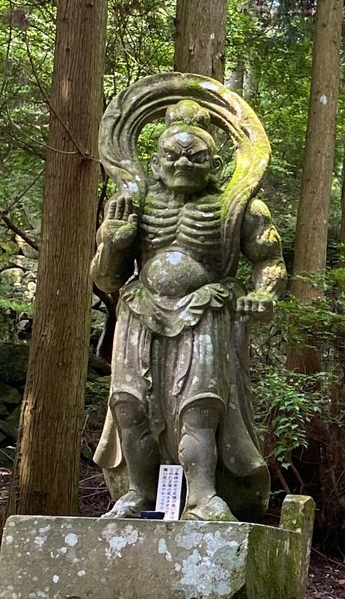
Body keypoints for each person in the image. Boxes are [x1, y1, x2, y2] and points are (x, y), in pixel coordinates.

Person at [91, 98, 286, 522]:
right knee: (128, 402)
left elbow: (270, 261)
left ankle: (201, 495)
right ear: (156, 161)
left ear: (215, 163)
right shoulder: (134, 204)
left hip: (204, 310)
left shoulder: (238, 205)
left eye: (194, 156)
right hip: (141, 309)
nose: (182, 162)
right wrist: (114, 241)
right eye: (172, 155)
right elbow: (106, 279)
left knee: (200, 404)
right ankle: (139, 493)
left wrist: (263, 294)